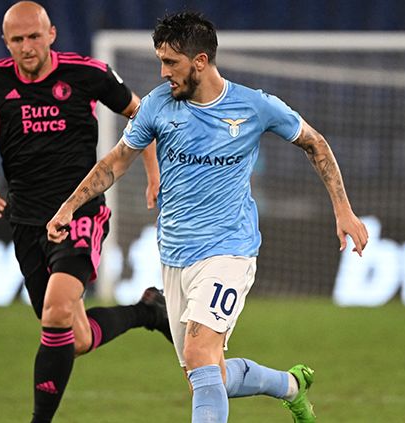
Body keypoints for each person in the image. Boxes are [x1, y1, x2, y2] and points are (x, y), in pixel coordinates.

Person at [47, 11, 369, 423]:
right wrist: (69, 206)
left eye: (171, 62)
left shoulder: (254, 105)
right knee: (206, 374)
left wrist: (343, 209)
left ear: (200, 61)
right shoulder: (157, 107)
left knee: (200, 355)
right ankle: (291, 386)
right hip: (175, 256)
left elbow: (315, 143)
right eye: (160, 61)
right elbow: (115, 162)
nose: (163, 72)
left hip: (229, 252)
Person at [0, 2, 172, 422]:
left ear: (51, 33)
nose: (27, 46)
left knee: (55, 311)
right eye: (17, 40)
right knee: (71, 337)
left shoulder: (86, 73)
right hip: (25, 219)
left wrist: (153, 172)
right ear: (6, 42)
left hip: (80, 213)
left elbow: (142, 114)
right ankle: (147, 310)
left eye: (34, 36)